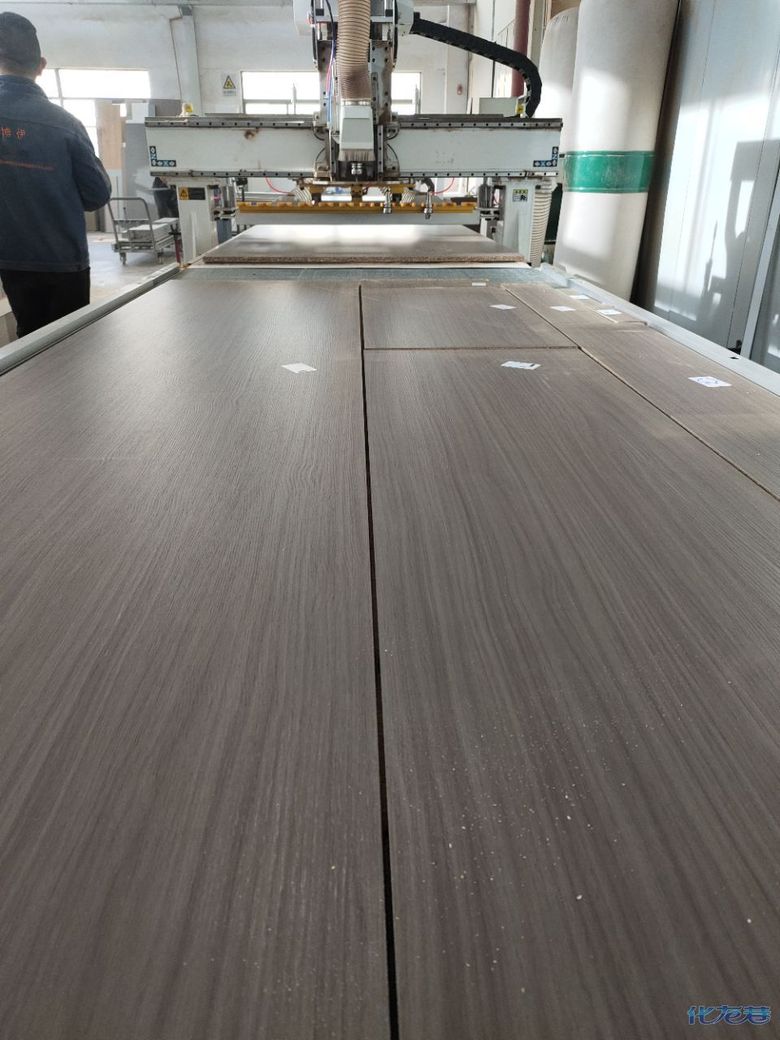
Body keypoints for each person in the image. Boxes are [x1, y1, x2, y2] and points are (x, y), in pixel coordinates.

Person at [0, 12, 112, 338]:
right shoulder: (65, 124)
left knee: (30, 342)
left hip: (10, 258)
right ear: (41, 65)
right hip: (63, 258)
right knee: (71, 345)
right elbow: (96, 194)